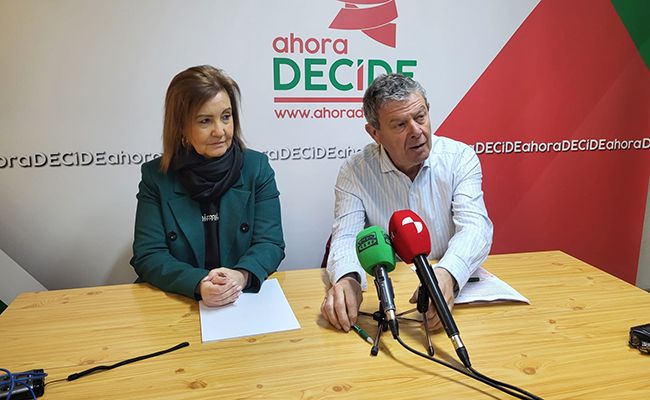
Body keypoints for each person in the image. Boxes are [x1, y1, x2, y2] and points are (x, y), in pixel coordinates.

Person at [321, 73, 492, 332]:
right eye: (400, 125)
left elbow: (475, 228)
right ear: (375, 133)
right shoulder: (354, 171)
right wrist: (348, 279)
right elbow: (345, 237)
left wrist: (448, 274)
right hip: (388, 301)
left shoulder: (460, 158)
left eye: (420, 117)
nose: (417, 131)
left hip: (446, 286)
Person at [130, 65, 285, 307]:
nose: (220, 131)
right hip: (180, 301)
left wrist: (240, 276)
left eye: (226, 116)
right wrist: (198, 283)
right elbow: (149, 255)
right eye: (205, 121)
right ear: (181, 127)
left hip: (243, 301)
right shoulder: (156, 176)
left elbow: (270, 243)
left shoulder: (257, 167)